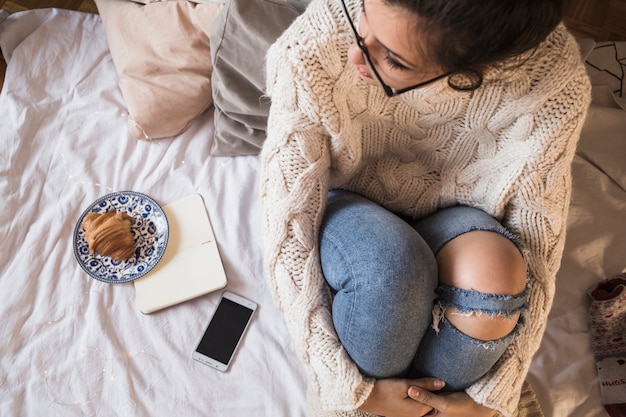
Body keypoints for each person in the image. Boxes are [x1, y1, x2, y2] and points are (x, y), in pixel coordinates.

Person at [259, 0, 591, 416]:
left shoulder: (554, 84)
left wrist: (490, 397)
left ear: (475, 72)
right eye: (361, 15)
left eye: (393, 59)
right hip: (350, 207)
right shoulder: (322, 34)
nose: (355, 53)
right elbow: (287, 218)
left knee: (496, 274)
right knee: (392, 267)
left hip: (459, 215)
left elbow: (538, 237)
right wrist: (347, 387)